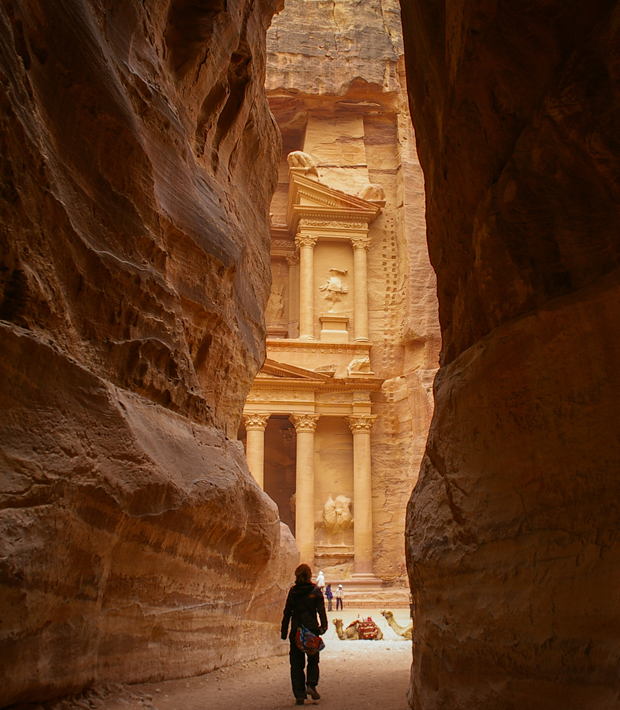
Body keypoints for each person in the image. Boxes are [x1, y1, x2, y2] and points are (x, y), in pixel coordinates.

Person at [281, 563, 328, 705]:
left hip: (296, 631)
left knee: (296, 664)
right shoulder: (315, 590)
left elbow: (287, 612)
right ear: (309, 575)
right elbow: (321, 611)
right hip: (311, 630)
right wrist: (323, 627)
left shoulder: (293, 592)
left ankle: (299, 695)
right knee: (313, 660)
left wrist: (284, 631)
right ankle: (311, 685)